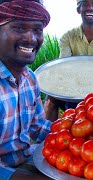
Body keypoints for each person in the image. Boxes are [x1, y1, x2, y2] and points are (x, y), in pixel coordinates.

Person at [44, 0, 93, 121]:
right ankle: (48, 134)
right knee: (50, 98)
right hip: (73, 84)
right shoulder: (67, 37)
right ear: (79, 9)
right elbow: (65, 66)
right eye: (85, 4)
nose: (90, 8)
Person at [0, 0, 52, 179]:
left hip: (27, 160)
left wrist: (79, 131)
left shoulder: (30, 78)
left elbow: (37, 127)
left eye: (37, 30)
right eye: (19, 28)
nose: (31, 38)